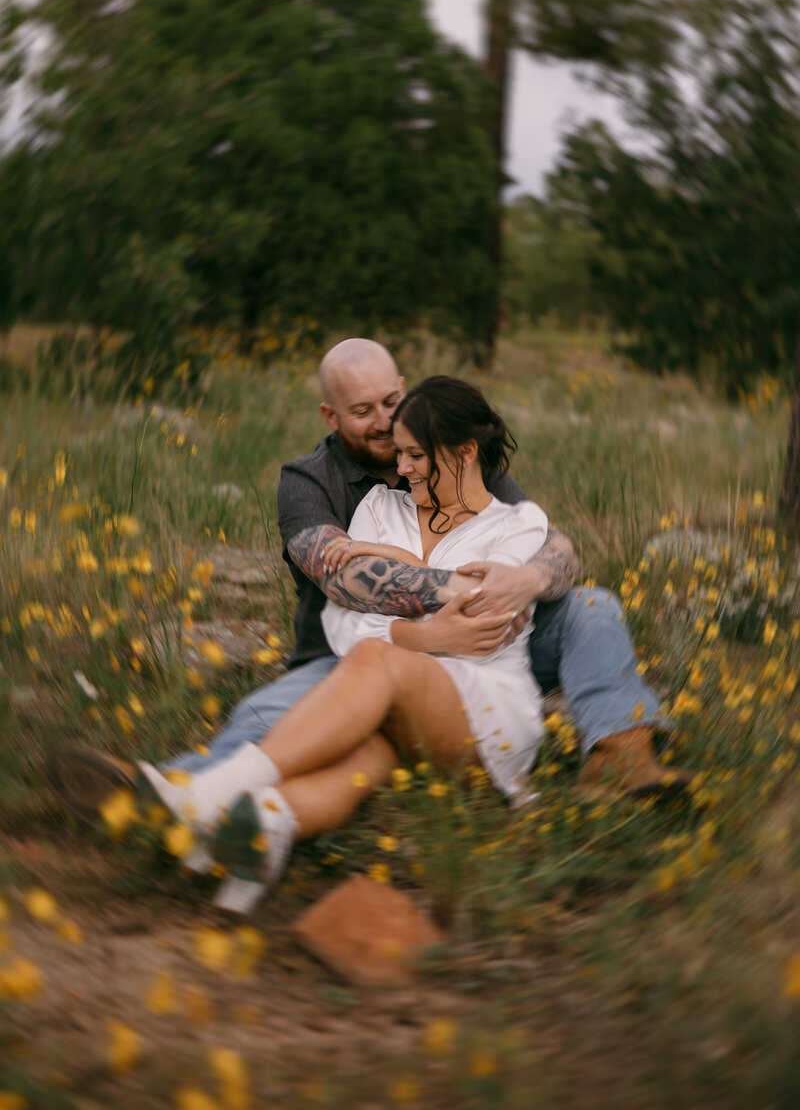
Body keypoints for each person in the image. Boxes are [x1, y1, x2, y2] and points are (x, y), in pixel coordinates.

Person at [48, 339, 685, 837]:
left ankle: (620, 755)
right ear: (330, 414)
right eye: (362, 412)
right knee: (272, 717)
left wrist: (524, 577)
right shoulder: (310, 480)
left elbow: (548, 543)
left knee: (592, 606)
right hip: (344, 651)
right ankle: (164, 796)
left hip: (477, 651)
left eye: (390, 403)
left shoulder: (449, 455)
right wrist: (448, 607)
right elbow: (343, 576)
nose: (384, 424)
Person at [137, 376, 551, 913]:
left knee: (377, 657)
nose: (401, 469)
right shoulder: (381, 506)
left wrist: (383, 560)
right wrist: (424, 634)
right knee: (366, 754)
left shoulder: (519, 524)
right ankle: (263, 830)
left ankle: (207, 796)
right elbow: (342, 619)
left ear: (466, 452)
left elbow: (486, 614)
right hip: (396, 707)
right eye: (399, 454)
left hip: (485, 713)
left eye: (416, 456)